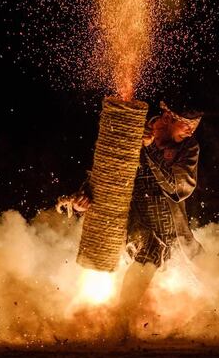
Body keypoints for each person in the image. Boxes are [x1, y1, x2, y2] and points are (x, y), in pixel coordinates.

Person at [62, 101, 203, 325]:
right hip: (134, 223)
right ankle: (120, 322)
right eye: (186, 124)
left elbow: (179, 188)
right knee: (149, 253)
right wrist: (81, 199)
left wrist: (148, 149)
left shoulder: (188, 146)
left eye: (194, 125)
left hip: (175, 230)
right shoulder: (130, 135)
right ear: (167, 117)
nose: (191, 130)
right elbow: (105, 174)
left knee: (207, 274)